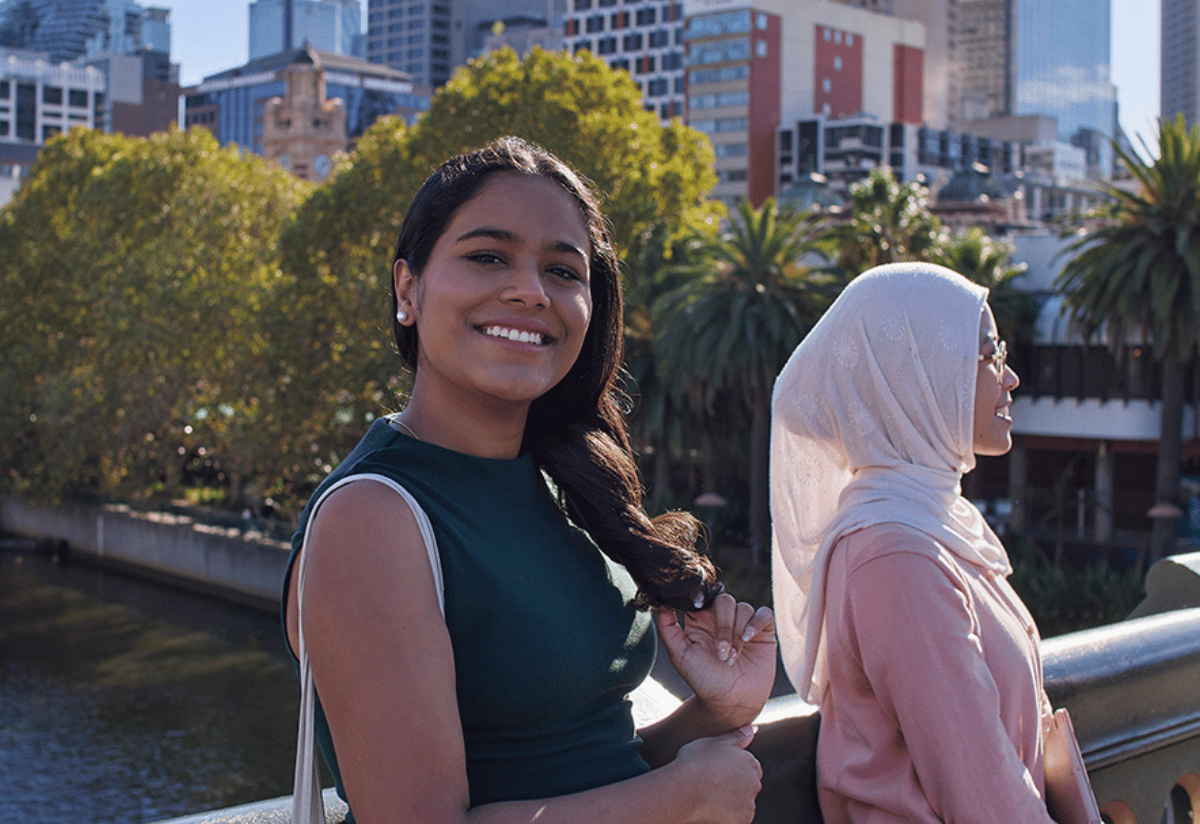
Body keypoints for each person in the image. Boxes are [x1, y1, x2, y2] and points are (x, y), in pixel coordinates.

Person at [281, 136, 777, 824]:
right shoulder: (371, 518)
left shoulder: (565, 488)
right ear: (407, 289)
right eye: (487, 257)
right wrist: (680, 798)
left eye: (563, 272)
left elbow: (585, 770)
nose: (529, 291)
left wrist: (713, 712)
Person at [770, 262, 1058, 824]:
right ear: (916, 373)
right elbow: (985, 802)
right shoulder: (895, 555)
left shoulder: (931, 524)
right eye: (988, 353)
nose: (1009, 376)